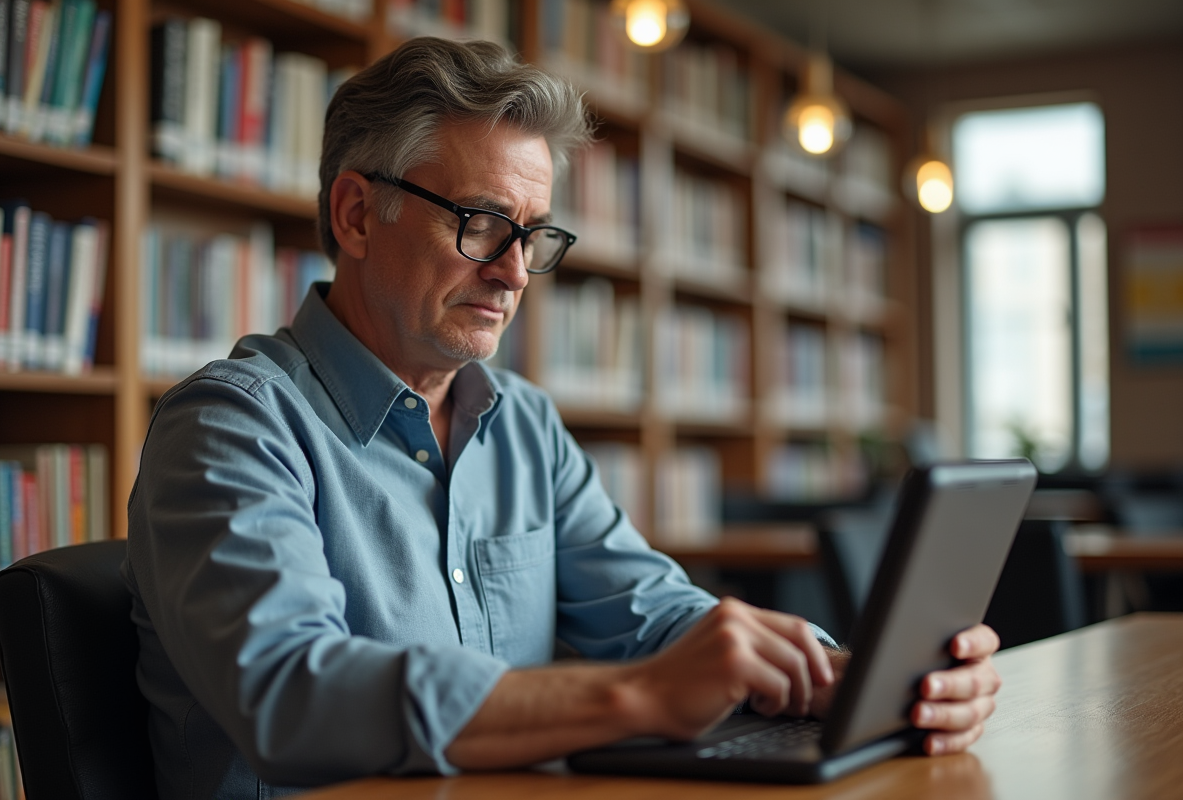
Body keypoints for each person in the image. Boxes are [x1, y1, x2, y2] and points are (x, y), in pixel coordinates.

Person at [123, 37, 1002, 799]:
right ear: (358, 214)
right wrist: (636, 697)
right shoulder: (231, 426)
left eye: (535, 235)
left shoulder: (525, 426)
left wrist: (847, 675)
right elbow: (291, 692)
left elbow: (653, 614)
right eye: (480, 224)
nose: (513, 273)